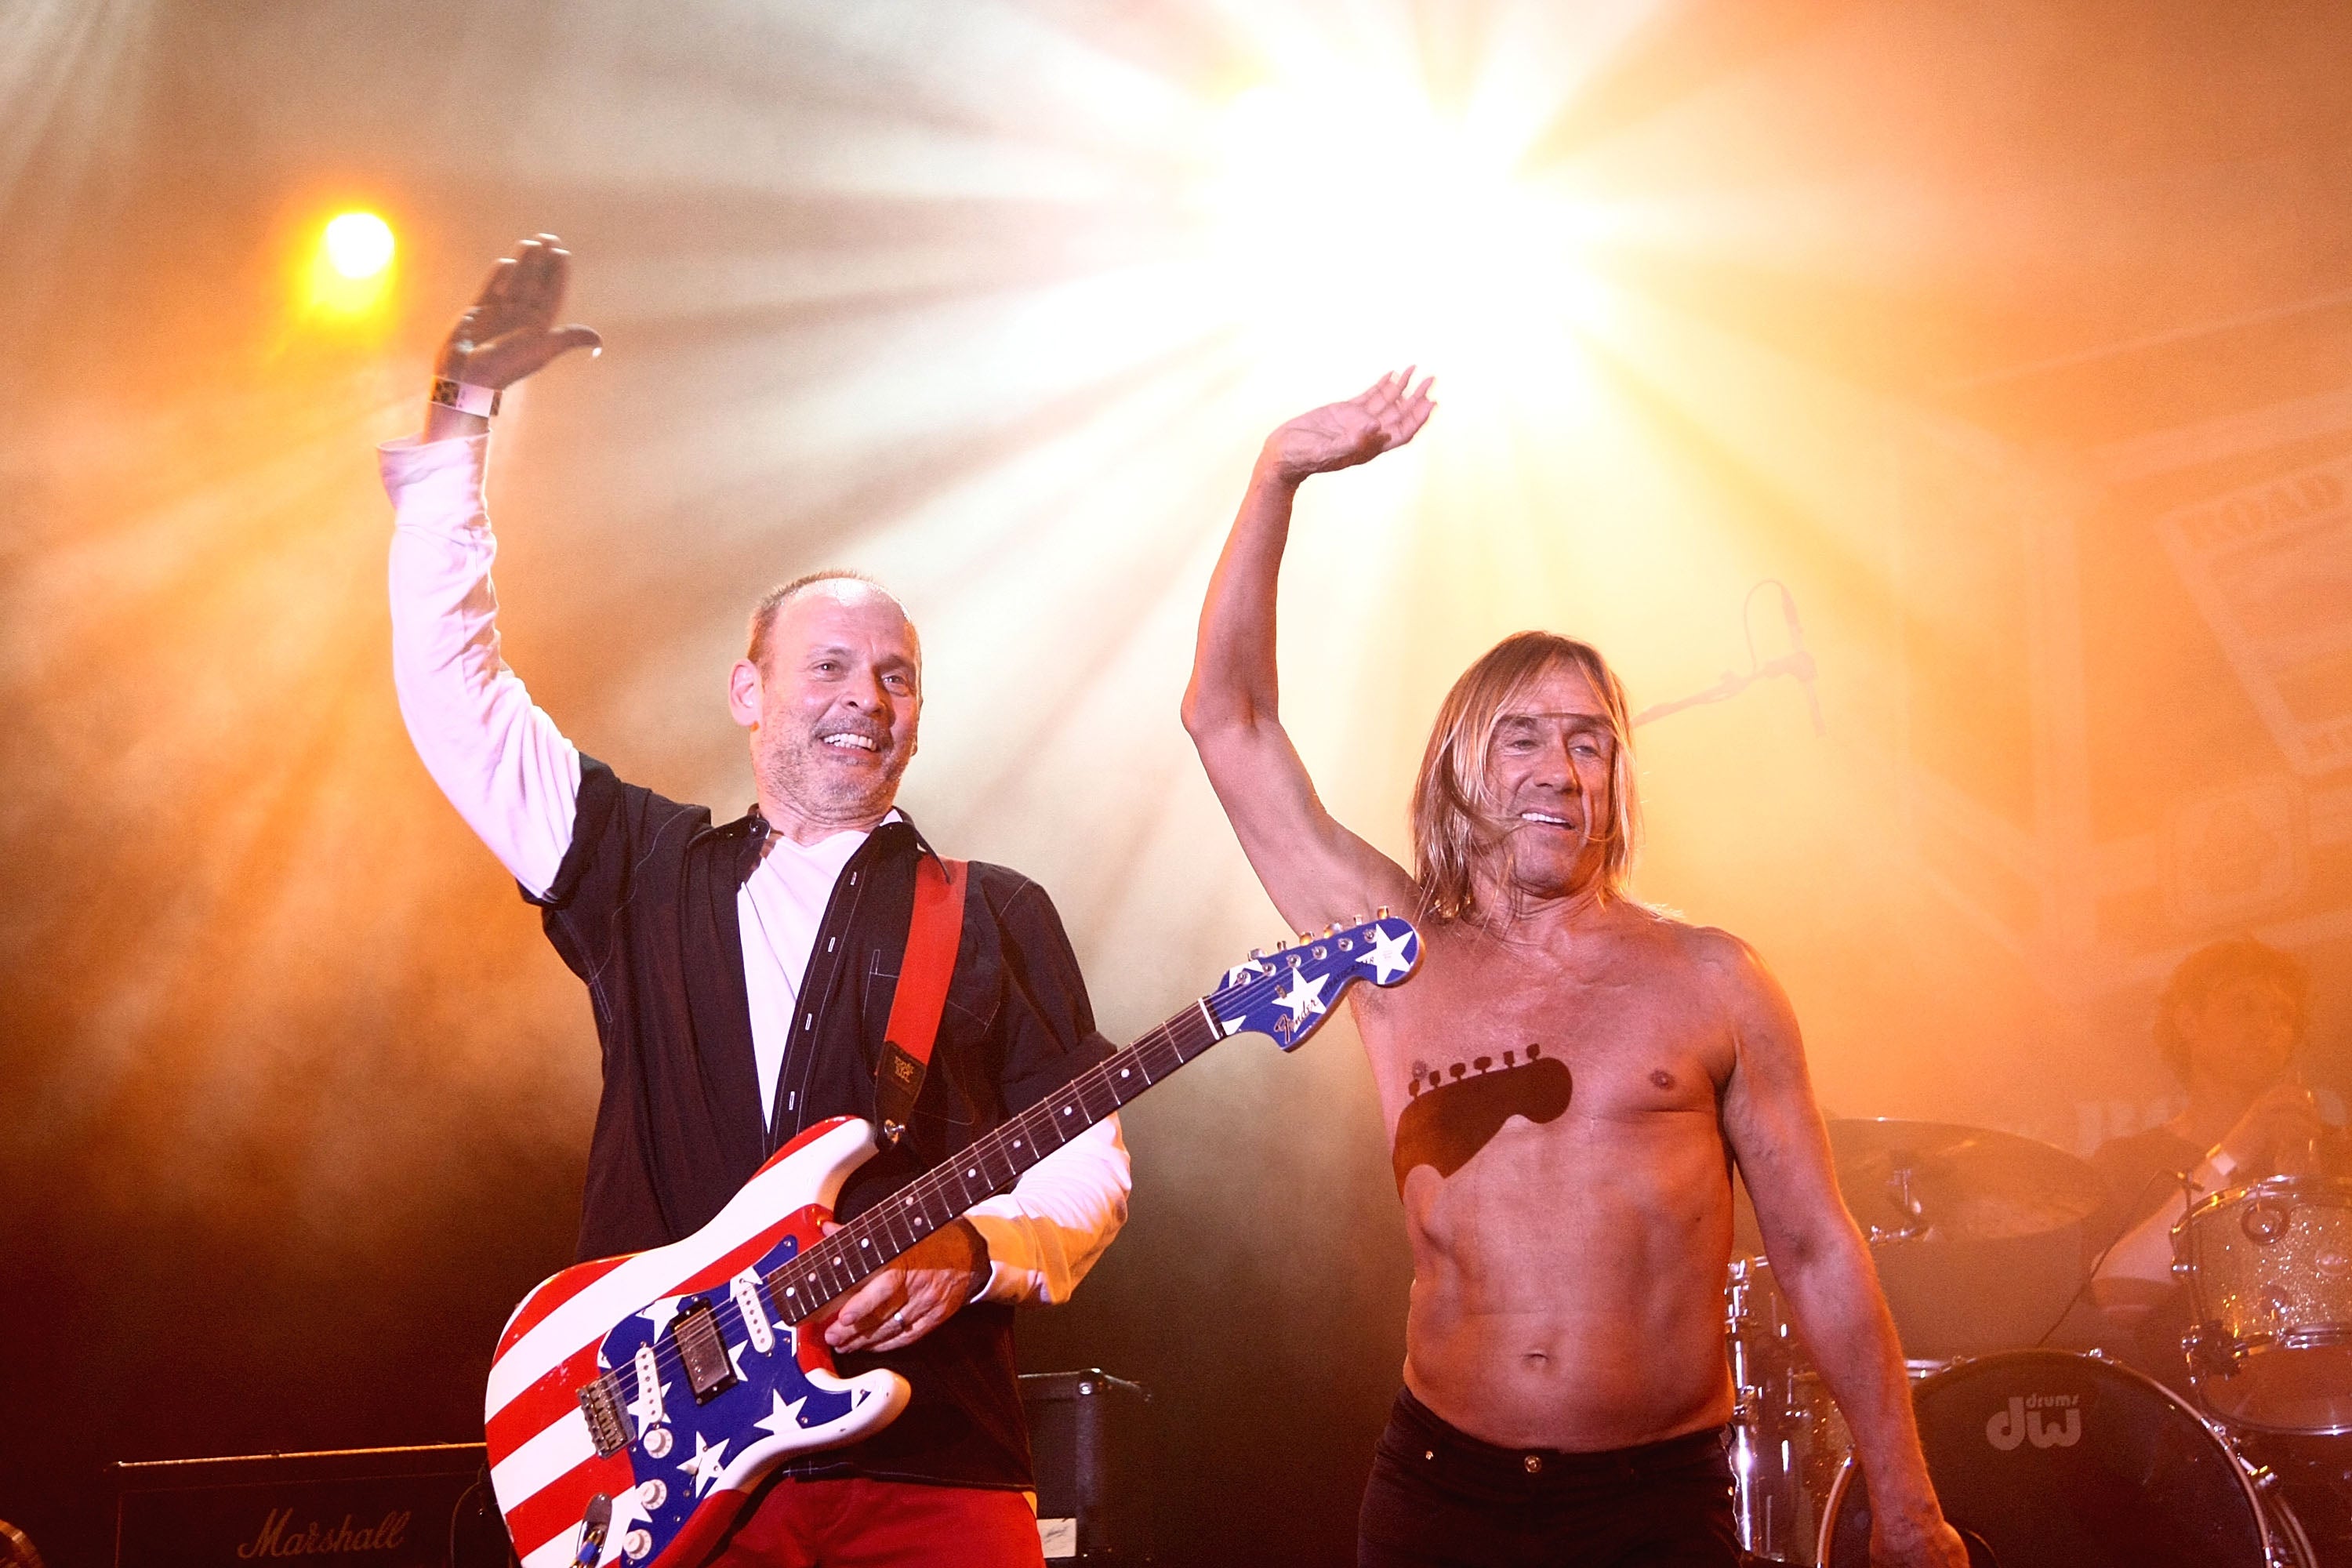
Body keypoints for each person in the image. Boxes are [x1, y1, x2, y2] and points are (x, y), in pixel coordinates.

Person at [379, 236, 1129, 1567]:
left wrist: (973, 1251)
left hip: (933, 1460)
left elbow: (1091, 1166)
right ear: (749, 692)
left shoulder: (995, 911)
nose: (865, 698)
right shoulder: (642, 867)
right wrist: (459, 422)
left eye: (896, 676)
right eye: (828, 665)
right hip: (672, 1478)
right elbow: (457, 697)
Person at [1182, 373, 1966, 1567]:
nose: (1560, 767)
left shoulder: (1713, 978)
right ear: (1461, 768)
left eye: (1589, 741)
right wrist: (1277, 472)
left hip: (1652, 1506)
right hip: (1441, 1492)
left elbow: (1817, 1249)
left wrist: (1906, 1505)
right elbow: (1227, 721)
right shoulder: (1392, 946)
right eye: (1525, 736)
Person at [2088, 937, 2332, 1381]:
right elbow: (2118, 1299)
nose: (2267, 1026)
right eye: (2244, 1007)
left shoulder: (2336, 1150)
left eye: (2283, 1015)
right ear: (2188, 1022)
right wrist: (2234, 1151)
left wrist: (2311, 1192)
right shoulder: (2130, 1160)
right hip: (2184, 1410)